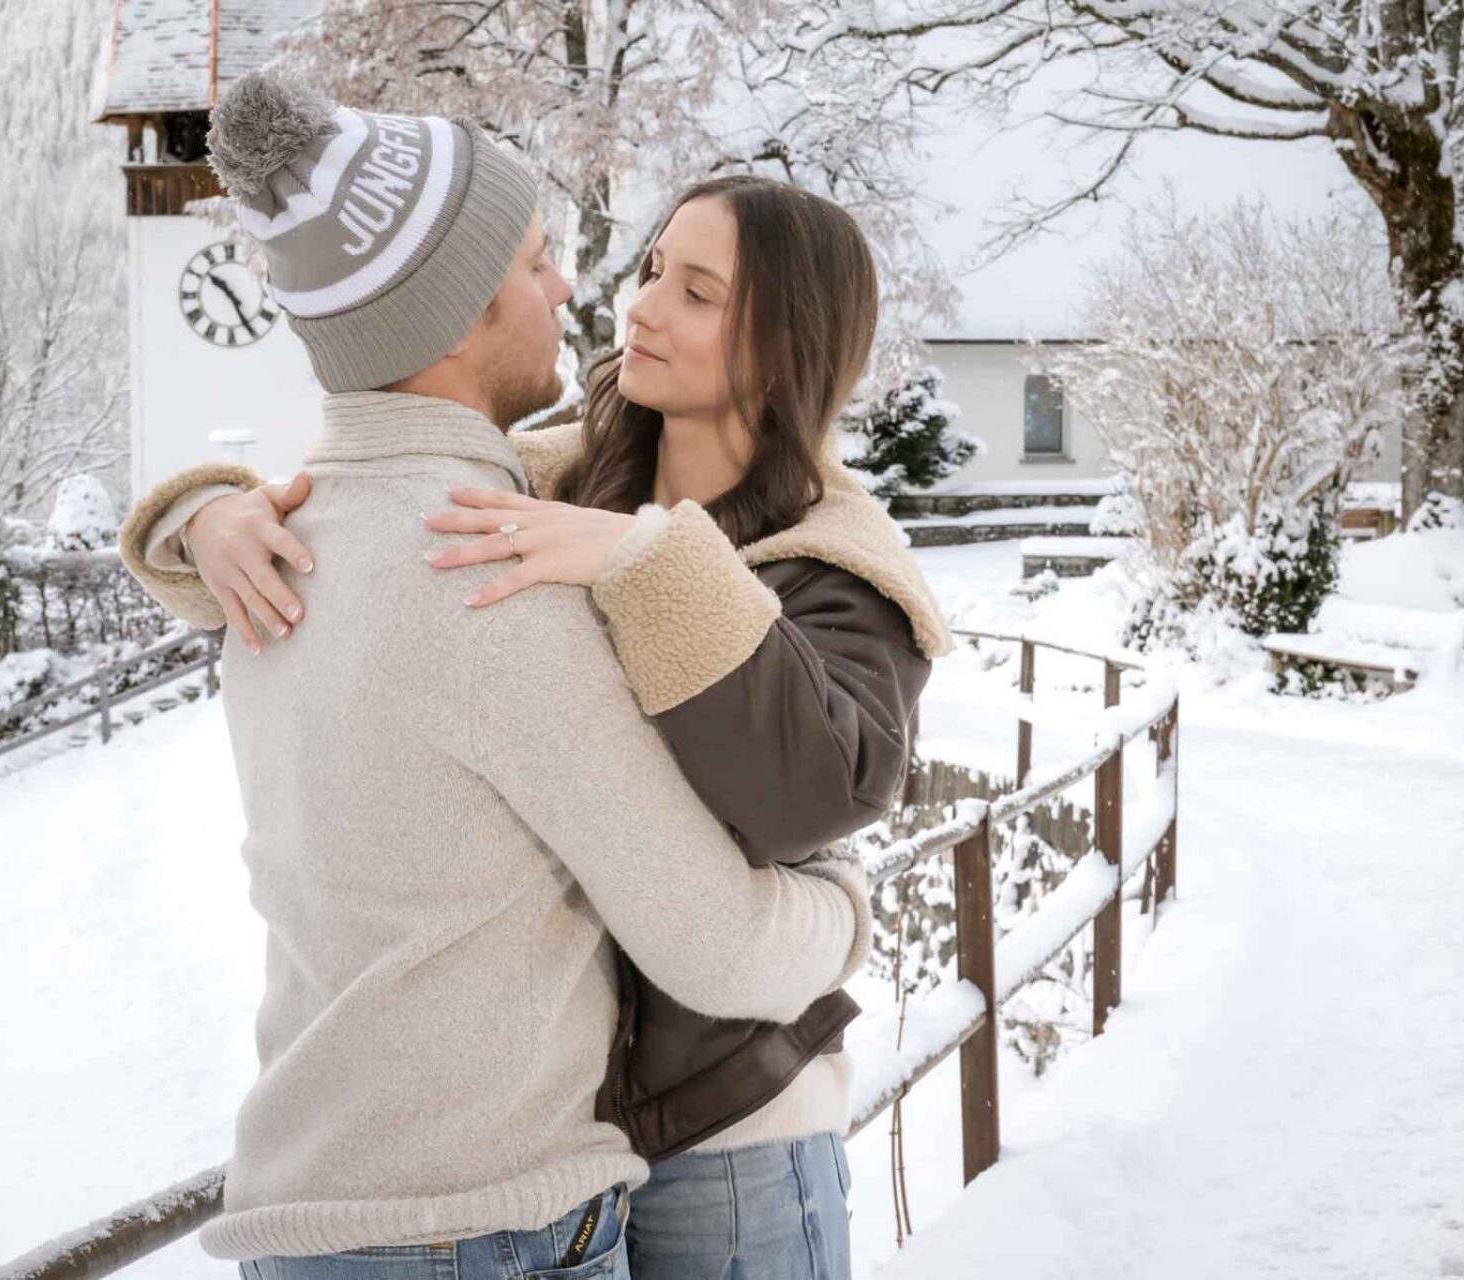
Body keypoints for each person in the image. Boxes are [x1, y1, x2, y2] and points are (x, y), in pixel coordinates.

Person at [125, 163, 956, 1278]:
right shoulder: (555, 478)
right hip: (558, 1140)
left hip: (730, 1129)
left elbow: (815, 789)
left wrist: (645, 560)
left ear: (789, 342)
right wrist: (205, 512)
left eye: (698, 293)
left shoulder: (835, 562)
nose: (642, 304)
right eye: (656, 268)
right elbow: (367, 512)